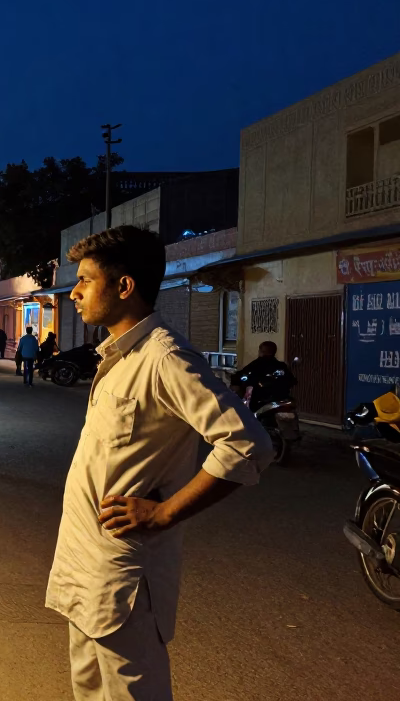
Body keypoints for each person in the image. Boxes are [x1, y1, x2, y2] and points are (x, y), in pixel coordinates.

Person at [47, 225, 273, 701]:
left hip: (122, 578)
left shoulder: (165, 357)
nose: (75, 292)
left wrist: (166, 512)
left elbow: (247, 443)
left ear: (124, 286)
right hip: (84, 564)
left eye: (86, 280)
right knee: (89, 690)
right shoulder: (118, 357)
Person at [231, 341, 295, 410]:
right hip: (279, 398)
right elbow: (293, 380)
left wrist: (235, 379)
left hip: (262, 399)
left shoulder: (257, 364)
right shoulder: (281, 365)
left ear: (262, 351)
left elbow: (243, 374)